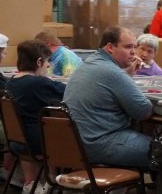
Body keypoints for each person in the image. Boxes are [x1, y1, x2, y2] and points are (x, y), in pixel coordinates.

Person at [63, 26, 152, 171]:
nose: (133, 52)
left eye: (134, 47)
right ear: (110, 47)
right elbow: (144, 111)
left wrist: (126, 77)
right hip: (101, 143)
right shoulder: (112, 72)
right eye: (128, 47)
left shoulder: (90, 63)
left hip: (79, 143)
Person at [5, 39, 65, 194]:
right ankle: (53, 181)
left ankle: (37, 181)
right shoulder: (39, 83)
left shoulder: (10, 83)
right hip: (39, 141)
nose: (48, 67)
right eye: (47, 63)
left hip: (19, 140)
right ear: (39, 61)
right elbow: (68, 92)